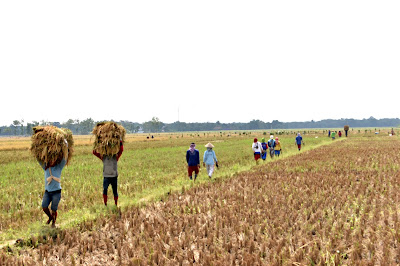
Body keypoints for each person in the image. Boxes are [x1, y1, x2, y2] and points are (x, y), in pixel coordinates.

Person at [39, 140, 68, 227]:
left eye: (54, 159)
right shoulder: (46, 167)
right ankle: (50, 217)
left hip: (56, 192)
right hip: (47, 192)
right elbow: (38, 159)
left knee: (54, 209)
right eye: (51, 159)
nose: (52, 161)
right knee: (44, 206)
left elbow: (65, 158)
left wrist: (65, 145)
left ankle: (53, 223)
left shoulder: (59, 167)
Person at [93, 140, 124, 206]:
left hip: (114, 177)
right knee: (105, 190)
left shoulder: (115, 156)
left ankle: (116, 204)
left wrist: (120, 142)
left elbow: (121, 150)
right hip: (106, 177)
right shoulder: (104, 157)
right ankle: (105, 204)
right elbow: (94, 152)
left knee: (115, 192)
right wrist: (97, 143)